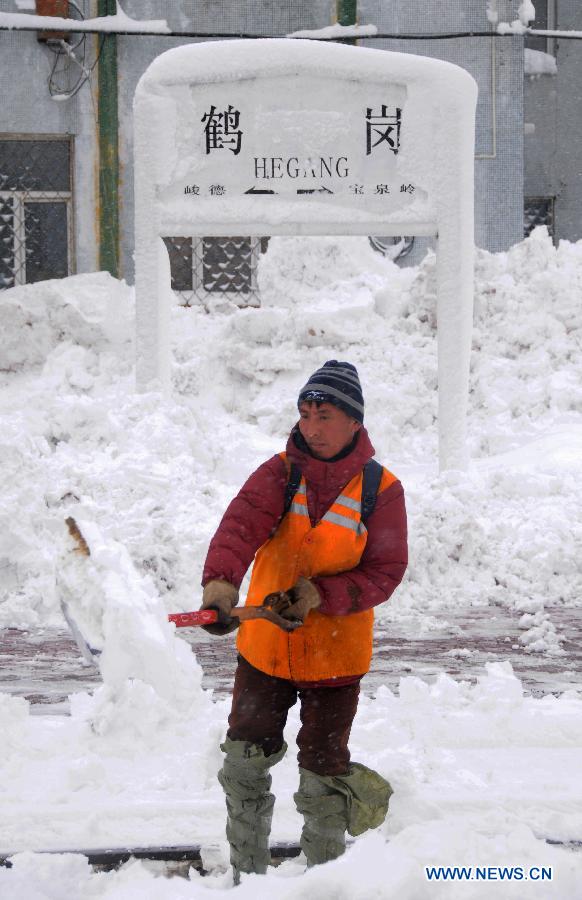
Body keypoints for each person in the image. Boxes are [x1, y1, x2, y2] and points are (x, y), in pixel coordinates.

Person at [200, 360, 408, 881]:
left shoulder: (379, 491)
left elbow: (385, 571)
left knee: (324, 771)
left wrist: (319, 594)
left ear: (354, 422)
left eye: (325, 415)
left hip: (336, 658)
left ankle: (325, 880)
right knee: (244, 761)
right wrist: (221, 586)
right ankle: (246, 878)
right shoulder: (280, 471)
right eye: (305, 413)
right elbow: (239, 527)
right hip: (264, 651)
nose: (311, 427)